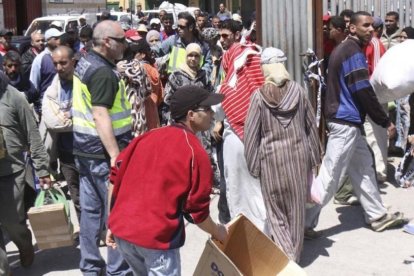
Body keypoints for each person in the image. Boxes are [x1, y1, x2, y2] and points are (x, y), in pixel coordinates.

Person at [106, 85, 228, 275]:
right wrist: (216, 231)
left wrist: (112, 221)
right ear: (191, 115)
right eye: (207, 109)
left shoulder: (147, 136)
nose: (213, 113)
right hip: (156, 240)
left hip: (123, 232)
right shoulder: (195, 152)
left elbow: (115, 176)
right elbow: (198, 213)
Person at [307, 11, 403, 233]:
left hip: (349, 123)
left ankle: (377, 215)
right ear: (352, 28)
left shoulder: (346, 49)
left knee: (364, 168)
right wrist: (383, 120)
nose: (371, 29)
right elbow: (362, 89)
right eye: (366, 26)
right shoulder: (353, 52)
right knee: (331, 176)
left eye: (372, 26)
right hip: (345, 123)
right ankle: (303, 223)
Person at [244, 47, 321, 261]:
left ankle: (285, 255)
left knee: (276, 211)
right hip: (298, 159)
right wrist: (315, 158)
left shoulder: (258, 97)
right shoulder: (299, 91)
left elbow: (251, 135)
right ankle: (293, 256)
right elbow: (310, 127)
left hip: (271, 163)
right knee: (296, 212)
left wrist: (253, 166)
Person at [73, 20, 131, 275]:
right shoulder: (103, 73)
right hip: (102, 154)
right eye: (121, 40)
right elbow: (100, 114)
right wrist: (115, 156)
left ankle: (90, 266)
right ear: (107, 42)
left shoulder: (85, 62)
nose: (125, 45)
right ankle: (118, 270)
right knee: (116, 212)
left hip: (85, 151)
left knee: (90, 213)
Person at [216, 19, 267, 231]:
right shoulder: (250, 57)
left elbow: (224, 96)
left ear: (238, 34)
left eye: (225, 36)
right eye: (220, 36)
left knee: (239, 189)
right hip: (255, 133)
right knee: (253, 190)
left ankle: (245, 236)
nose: (222, 40)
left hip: (238, 136)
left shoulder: (239, 60)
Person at [0, 71, 51, 270]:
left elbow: (33, 135)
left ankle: (23, 242)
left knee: (12, 223)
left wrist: (42, 169)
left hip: (10, 173)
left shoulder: (13, 96)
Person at [40, 46, 80, 221]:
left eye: (63, 63)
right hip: (66, 154)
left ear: (73, 61)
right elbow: (54, 122)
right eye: (55, 63)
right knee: (76, 195)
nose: (58, 67)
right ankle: (88, 234)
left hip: (89, 150)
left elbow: (95, 114)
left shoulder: (85, 84)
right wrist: (76, 117)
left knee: (95, 195)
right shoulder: (52, 91)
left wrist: (70, 115)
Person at [160, 11, 212, 77]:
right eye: (178, 26)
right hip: (175, 83)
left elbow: (208, 65)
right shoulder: (173, 41)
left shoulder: (203, 45)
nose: (178, 29)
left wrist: (201, 77)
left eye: (182, 27)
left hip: (195, 84)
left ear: (191, 27)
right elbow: (157, 51)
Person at [30, 28, 63, 118]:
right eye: (56, 38)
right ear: (48, 41)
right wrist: (39, 108)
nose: (59, 40)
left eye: (59, 38)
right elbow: (34, 85)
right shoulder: (40, 59)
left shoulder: (63, 56)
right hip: (46, 107)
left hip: (62, 105)